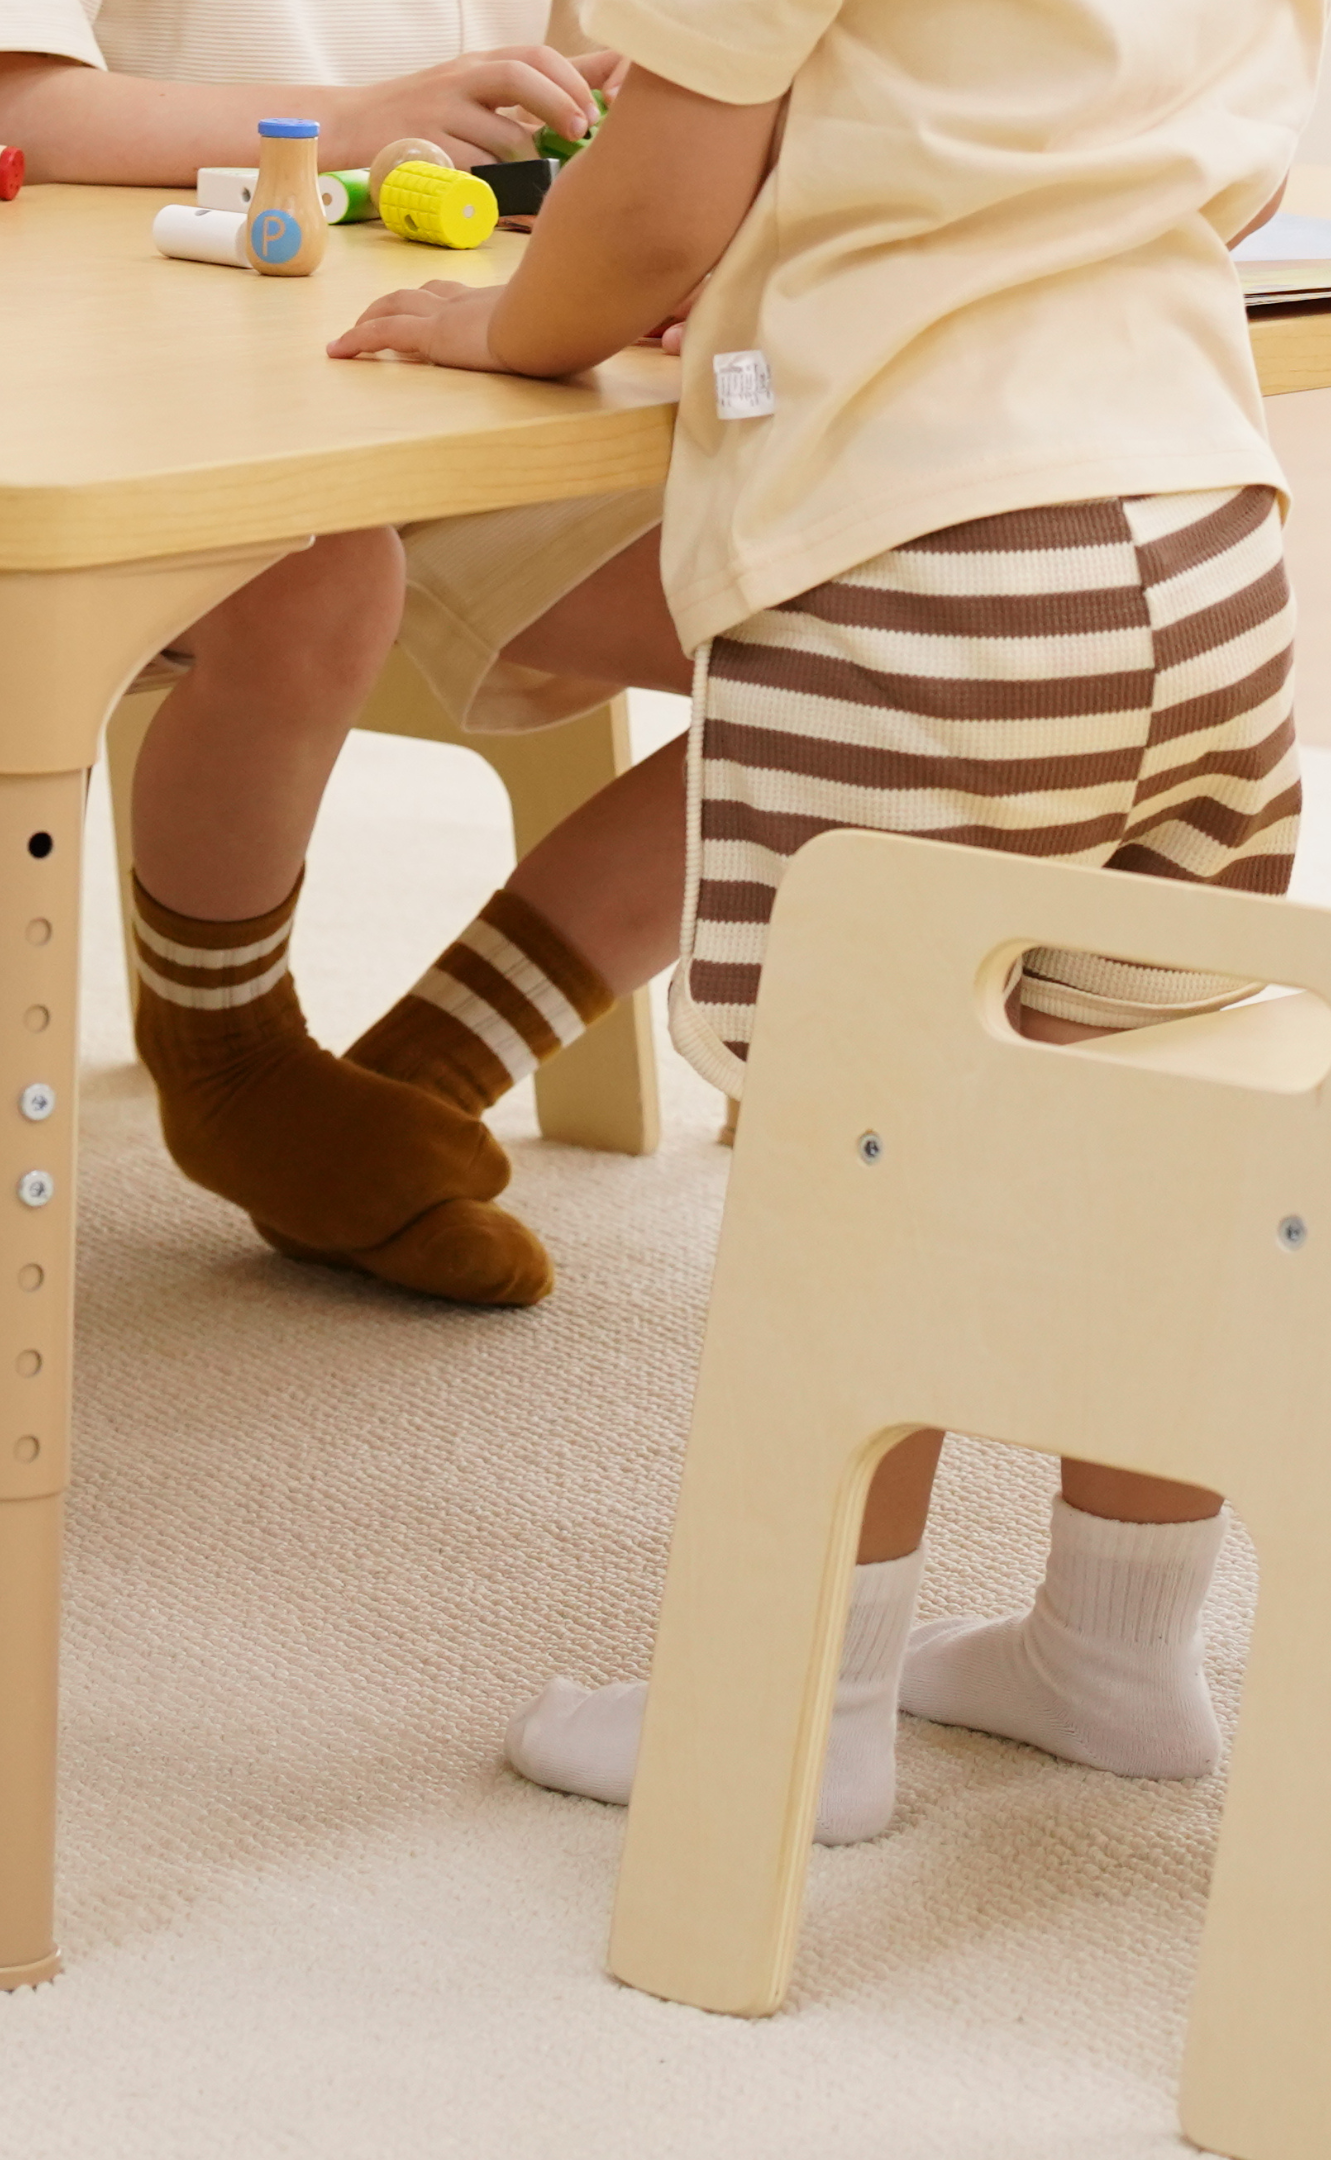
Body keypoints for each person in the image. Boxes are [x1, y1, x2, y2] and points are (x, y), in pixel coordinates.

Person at [325, 0, 1310, 1834]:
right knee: (1149, 1121)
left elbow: (639, 221)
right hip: (1207, 535)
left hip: (933, 562)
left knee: (855, 1164)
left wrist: (507, 324)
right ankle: (1115, 1644)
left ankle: (794, 1709)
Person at [0, 0, 687, 1307]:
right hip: (152, 376)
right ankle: (230, 1059)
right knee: (316, 575)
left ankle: (417, 1078)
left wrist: (612, 158)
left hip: (473, 364)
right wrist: (360, 127)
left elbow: (600, 90)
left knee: (843, 628)